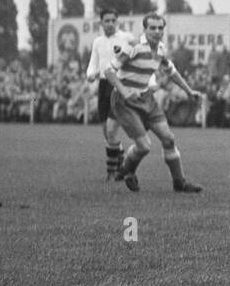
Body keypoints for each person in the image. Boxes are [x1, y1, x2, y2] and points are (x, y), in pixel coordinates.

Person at [106, 13, 202, 193]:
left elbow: (171, 72)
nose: (157, 31)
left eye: (160, 28)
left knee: (169, 138)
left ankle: (179, 183)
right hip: (124, 101)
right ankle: (127, 172)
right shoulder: (133, 46)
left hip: (146, 98)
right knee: (144, 146)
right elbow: (109, 71)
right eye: (153, 28)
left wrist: (189, 91)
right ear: (145, 29)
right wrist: (125, 92)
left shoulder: (161, 50)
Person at [85, 10, 135, 180]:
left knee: (112, 127)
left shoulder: (127, 38)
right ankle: (120, 156)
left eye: (113, 20)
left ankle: (112, 173)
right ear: (101, 23)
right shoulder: (98, 42)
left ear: (117, 21)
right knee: (106, 130)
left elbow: (138, 58)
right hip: (103, 85)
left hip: (118, 84)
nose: (110, 23)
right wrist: (90, 73)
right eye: (107, 20)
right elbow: (93, 62)